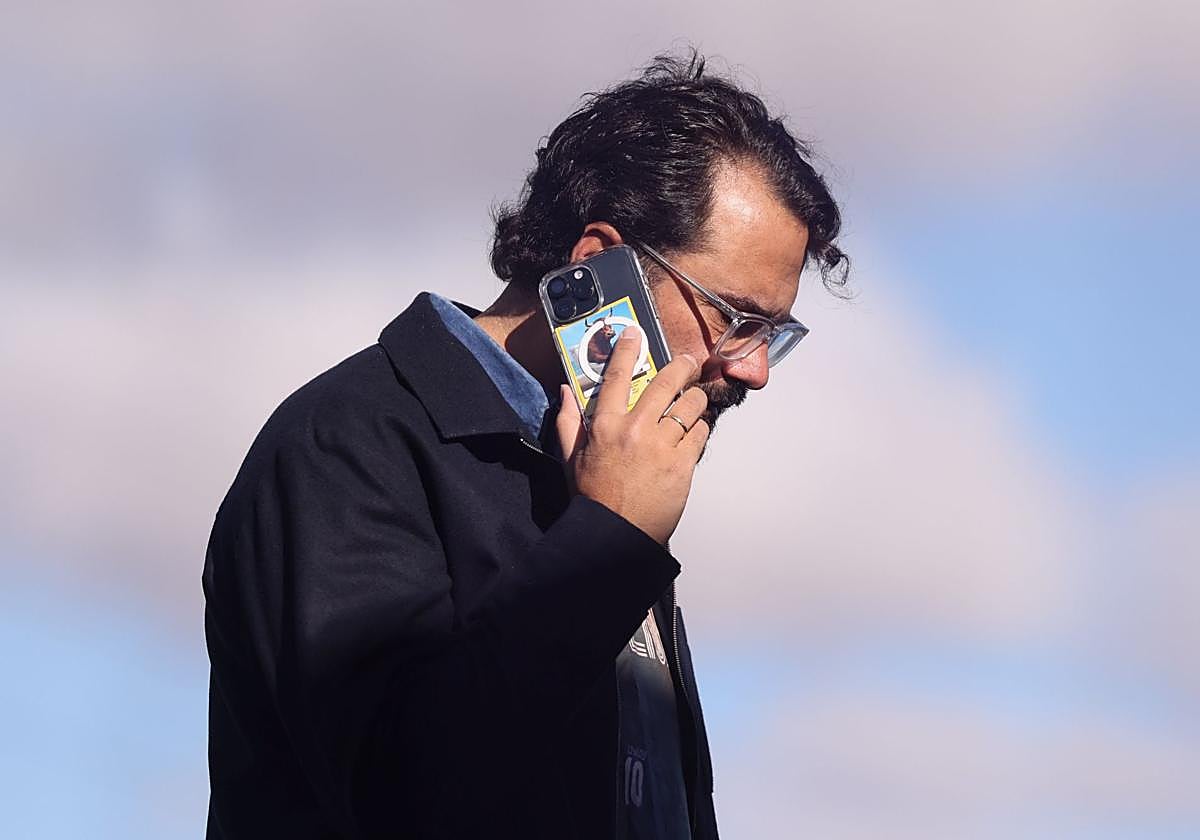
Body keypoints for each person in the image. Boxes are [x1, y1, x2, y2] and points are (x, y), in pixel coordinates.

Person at [202, 51, 847, 840]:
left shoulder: (594, 478)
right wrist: (605, 544)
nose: (751, 368)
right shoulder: (347, 445)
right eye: (734, 316)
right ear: (598, 267)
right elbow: (397, 797)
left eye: (773, 335)